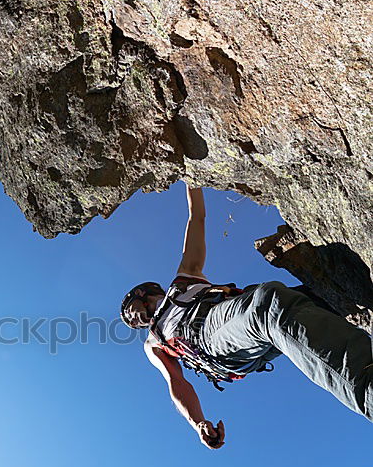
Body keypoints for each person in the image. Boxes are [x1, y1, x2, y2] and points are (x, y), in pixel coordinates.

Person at [120, 185, 373, 449]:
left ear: (141, 293)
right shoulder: (152, 342)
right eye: (131, 323)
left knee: (325, 296)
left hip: (241, 330)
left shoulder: (185, 280)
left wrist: (190, 178)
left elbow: (197, 218)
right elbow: (177, 383)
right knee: (268, 303)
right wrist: (197, 422)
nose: (133, 322)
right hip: (210, 339)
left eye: (129, 313)